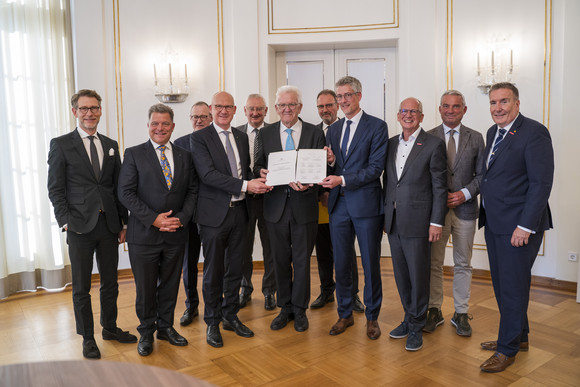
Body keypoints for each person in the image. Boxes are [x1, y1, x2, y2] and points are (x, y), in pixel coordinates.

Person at [47, 89, 137, 359]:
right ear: (75, 112)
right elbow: (55, 188)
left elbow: (119, 187)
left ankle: (109, 327)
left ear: (100, 110)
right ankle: (88, 336)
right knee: (82, 286)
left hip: (109, 225)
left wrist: (124, 223)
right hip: (78, 227)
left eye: (94, 108)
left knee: (111, 282)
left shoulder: (111, 144)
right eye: (84, 109)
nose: (89, 113)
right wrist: (65, 221)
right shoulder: (61, 144)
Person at [478, 82, 554, 373]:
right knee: (503, 284)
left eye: (504, 102)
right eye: (493, 102)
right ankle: (519, 337)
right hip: (496, 222)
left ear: (517, 103)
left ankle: (506, 349)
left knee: (511, 287)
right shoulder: (492, 132)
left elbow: (540, 184)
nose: (498, 108)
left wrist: (525, 226)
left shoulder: (534, 133)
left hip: (519, 227)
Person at [191, 91, 270, 348]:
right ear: (212, 109)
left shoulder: (240, 136)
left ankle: (230, 315)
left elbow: (243, 171)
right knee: (214, 271)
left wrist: (258, 174)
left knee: (236, 268)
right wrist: (248, 185)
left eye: (228, 107)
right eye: (219, 107)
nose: (223, 111)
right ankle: (212, 322)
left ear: (235, 110)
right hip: (213, 216)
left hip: (240, 213)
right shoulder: (199, 138)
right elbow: (208, 175)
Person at [118, 103, 198, 357]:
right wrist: (154, 219)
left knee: (171, 285)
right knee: (145, 287)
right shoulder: (134, 154)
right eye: (155, 123)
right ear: (149, 125)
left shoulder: (186, 155)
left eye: (165, 123)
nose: (160, 128)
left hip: (176, 233)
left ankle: (165, 327)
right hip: (144, 235)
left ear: (173, 126)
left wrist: (181, 219)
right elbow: (125, 193)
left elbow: (192, 191)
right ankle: (145, 332)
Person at [321, 76, 388, 340]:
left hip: (367, 205)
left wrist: (342, 179)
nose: (343, 101)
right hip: (339, 206)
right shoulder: (334, 130)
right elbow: (339, 165)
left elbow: (375, 169)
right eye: (339, 97)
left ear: (359, 96)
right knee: (342, 263)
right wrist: (332, 162)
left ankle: (372, 318)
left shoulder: (377, 126)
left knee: (371, 263)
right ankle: (345, 313)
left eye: (347, 95)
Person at [254, 85, 325, 332]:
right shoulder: (266, 134)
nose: (287, 109)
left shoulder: (315, 133)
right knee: (280, 260)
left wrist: (309, 184)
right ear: (275, 109)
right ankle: (285, 307)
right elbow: (258, 166)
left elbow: (320, 169)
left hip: (304, 206)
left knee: (302, 260)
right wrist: (261, 172)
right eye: (282, 105)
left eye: (291, 104)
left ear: (300, 107)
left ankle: (300, 309)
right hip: (275, 208)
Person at [383, 97, 447, 351]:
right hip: (394, 221)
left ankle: (417, 326)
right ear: (398, 116)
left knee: (419, 276)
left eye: (414, 111)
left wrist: (436, 222)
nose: (408, 115)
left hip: (420, 223)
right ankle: (409, 318)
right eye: (404, 111)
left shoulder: (433, 145)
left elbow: (439, 188)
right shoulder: (389, 144)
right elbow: (388, 183)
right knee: (401, 276)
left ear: (421, 116)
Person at [424, 90, 485, 337]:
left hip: (466, 210)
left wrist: (465, 193)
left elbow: (483, 175)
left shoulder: (477, 138)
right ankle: (434, 310)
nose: (451, 110)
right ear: (439, 109)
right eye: (446, 106)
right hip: (436, 214)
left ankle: (460, 312)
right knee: (434, 263)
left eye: (456, 106)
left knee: (463, 264)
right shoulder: (428, 137)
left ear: (464, 110)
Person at [311, 89, 363, 313]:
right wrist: (319, 192)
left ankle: (353, 295)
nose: (326, 110)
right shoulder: (312, 132)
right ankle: (326, 290)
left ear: (338, 105)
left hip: (343, 198)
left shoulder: (347, 128)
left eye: (329, 105)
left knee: (346, 250)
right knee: (322, 248)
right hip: (319, 200)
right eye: (321, 107)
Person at [235, 94, 276, 311]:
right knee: (243, 248)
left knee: (271, 247)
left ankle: (270, 290)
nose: (255, 113)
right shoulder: (235, 134)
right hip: (244, 200)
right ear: (244, 110)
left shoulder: (274, 132)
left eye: (259, 109)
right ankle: (245, 288)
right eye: (251, 109)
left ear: (266, 110)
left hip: (271, 198)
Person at [173, 101, 212, 326]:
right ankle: (192, 306)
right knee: (189, 263)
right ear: (190, 119)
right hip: (187, 215)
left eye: (203, 116)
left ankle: (215, 304)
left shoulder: (218, 141)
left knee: (214, 262)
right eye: (195, 117)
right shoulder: (179, 144)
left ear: (211, 118)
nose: (198, 120)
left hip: (213, 214)